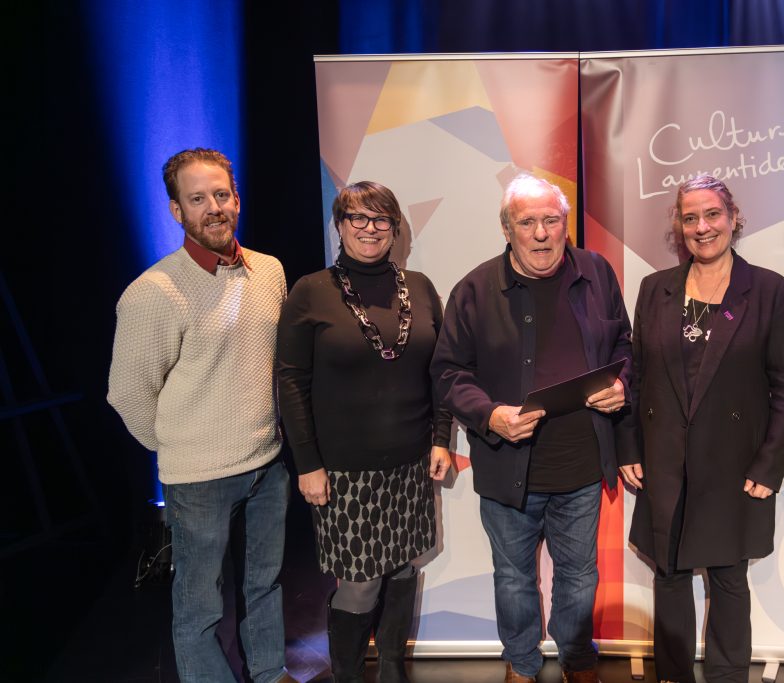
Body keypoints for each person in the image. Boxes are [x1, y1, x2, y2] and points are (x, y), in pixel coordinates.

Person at [430, 174, 631, 683]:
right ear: (507, 229)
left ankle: (577, 659)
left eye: (551, 220)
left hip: (582, 465)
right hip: (506, 467)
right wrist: (492, 415)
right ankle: (521, 664)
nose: (541, 233)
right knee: (514, 579)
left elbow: (625, 347)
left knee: (580, 577)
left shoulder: (597, 273)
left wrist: (622, 383)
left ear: (565, 224)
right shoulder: (475, 289)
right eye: (527, 223)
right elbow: (448, 372)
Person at [108, 148, 296, 683]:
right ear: (176, 211)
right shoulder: (153, 293)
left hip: (268, 463)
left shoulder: (270, 272)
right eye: (197, 199)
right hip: (199, 479)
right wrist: (179, 445)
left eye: (220, 195)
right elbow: (128, 394)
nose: (212, 207)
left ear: (236, 199)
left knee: (265, 584)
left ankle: (269, 671)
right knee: (199, 606)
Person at [618, 175, 784, 683]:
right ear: (679, 226)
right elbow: (635, 377)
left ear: (733, 217)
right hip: (665, 459)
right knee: (670, 575)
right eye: (690, 217)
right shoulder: (655, 289)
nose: (702, 227)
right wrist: (628, 445)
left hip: (734, 462)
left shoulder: (767, 290)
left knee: (728, 578)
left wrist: (770, 464)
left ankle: (727, 677)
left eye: (712, 215)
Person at [276, 181, 452, 683]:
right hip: (343, 471)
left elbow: (440, 370)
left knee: (403, 569)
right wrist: (307, 463)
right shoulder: (312, 290)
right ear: (340, 225)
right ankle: (350, 676)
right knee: (359, 586)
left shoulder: (418, 286)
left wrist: (441, 437)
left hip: (411, 463)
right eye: (358, 218)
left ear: (395, 228)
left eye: (381, 220)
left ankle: (393, 670)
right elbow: (290, 381)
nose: (370, 229)